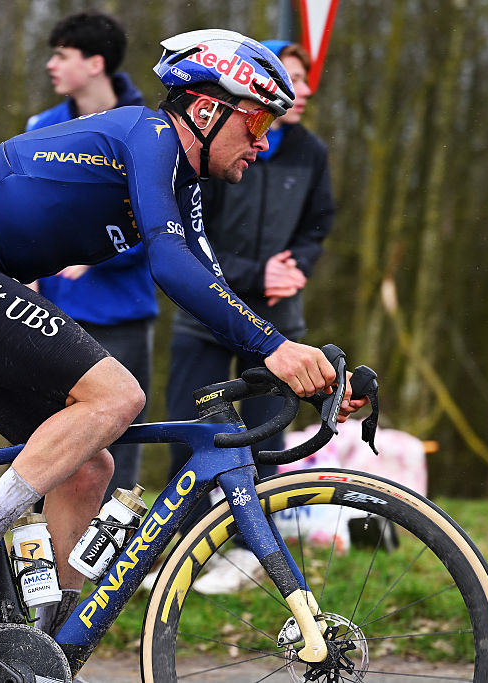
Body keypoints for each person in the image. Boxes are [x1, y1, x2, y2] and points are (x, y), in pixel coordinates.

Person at [0, 29, 364, 661]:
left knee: (88, 466)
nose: (264, 141)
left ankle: (39, 651)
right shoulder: (152, 138)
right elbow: (169, 266)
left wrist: (291, 364)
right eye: (253, 124)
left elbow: (207, 284)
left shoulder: (183, 184)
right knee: (117, 396)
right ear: (204, 110)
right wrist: (273, 346)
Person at [164, 40, 335, 595]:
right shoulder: (211, 147)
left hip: (281, 312)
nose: (302, 90)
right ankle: (175, 548)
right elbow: (193, 234)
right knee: (195, 434)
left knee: (264, 436)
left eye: (306, 81)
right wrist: (254, 272)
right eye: (292, 80)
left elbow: (319, 220)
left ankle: (248, 553)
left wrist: (297, 268)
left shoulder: (311, 151)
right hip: (206, 312)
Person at [27, 10, 156, 501]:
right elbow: (27, 211)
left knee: (120, 445)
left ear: (96, 62)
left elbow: (160, 222)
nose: (50, 65)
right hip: (53, 316)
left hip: (122, 315)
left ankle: (117, 571)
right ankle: (40, 563)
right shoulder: (41, 126)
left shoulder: (149, 129)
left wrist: (96, 255)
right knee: (50, 441)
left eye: (62, 54)